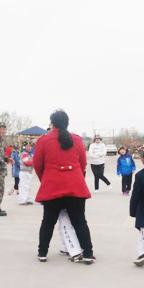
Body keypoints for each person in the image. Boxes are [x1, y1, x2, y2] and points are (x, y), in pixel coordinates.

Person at [33, 109, 95, 263]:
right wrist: (75, 176)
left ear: (52, 124)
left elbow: (37, 165)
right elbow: (82, 164)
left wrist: (46, 179)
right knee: (80, 221)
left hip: (52, 185)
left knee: (48, 221)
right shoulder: (77, 140)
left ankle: (42, 253)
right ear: (67, 123)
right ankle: (87, 253)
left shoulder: (43, 140)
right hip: (75, 186)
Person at [18, 141, 34, 205]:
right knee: (24, 186)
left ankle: (27, 199)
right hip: (24, 171)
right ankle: (22, 200)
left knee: (28, 186)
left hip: (28, 172)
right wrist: (34, 162)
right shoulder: (24, 154)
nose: (29, 147)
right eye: (27, 146)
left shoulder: (30, 154)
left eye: (30, 146)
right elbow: (26, 162)